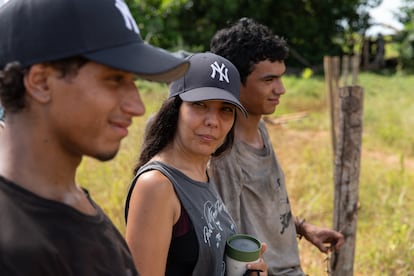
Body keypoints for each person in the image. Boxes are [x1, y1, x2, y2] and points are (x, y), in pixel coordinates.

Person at [0, 0, 189, 275]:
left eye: (132, 81)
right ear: (41, 82)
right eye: (114, 79)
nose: (137, 106)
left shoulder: (76, 206)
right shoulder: (13, 248)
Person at [209, 18, 345, 275]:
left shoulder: (260, 129)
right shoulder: (224, 156)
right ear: (234, 83)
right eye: (268, 80)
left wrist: (304, 228)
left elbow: (260, 213)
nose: (280, 89)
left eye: (280, 78)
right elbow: (229, 245)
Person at [124, 52, 268, 276]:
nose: (213, 121)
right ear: (175, 109)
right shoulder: (156, 186)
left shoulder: (203, 171)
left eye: (225, 110)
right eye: (200, 104)